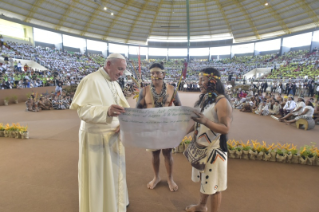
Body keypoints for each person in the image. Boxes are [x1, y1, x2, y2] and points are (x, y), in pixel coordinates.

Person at [70, 53, 130, 212]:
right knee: (99, 177)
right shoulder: (91, 80)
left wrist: (124, 122)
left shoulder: (115, 83)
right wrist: (106, 111)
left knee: (114, 174)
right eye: (119, 69)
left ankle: (116, 205)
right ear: (109, 64)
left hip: (115, 137)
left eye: (123, 70)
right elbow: (82, 111)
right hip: (96, 139)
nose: (121, 74)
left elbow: (123, 109)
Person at [185, 67, 232, 212]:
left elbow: (225, 128)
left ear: (212, 81)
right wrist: (181, 133)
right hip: (202, 148)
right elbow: (197, 122)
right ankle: (202, 206)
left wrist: (206, 121)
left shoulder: (222, 102)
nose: (199, 83)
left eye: (202, 79)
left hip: (215, 151)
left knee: (215, 186)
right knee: (206, 181)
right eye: (199, 79)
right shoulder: (206, 98)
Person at [136, 63, 181, 192]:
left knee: (168, 153)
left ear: (163, 74)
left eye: (157, 73)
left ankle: (170, 178)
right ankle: (156, 177)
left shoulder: (172, 90)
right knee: (155, 153)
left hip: (167, 127)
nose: (154, 75)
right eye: (152, 73)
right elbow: (138, 109)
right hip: (152, 127)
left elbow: (179, 107)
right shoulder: (144, 91)